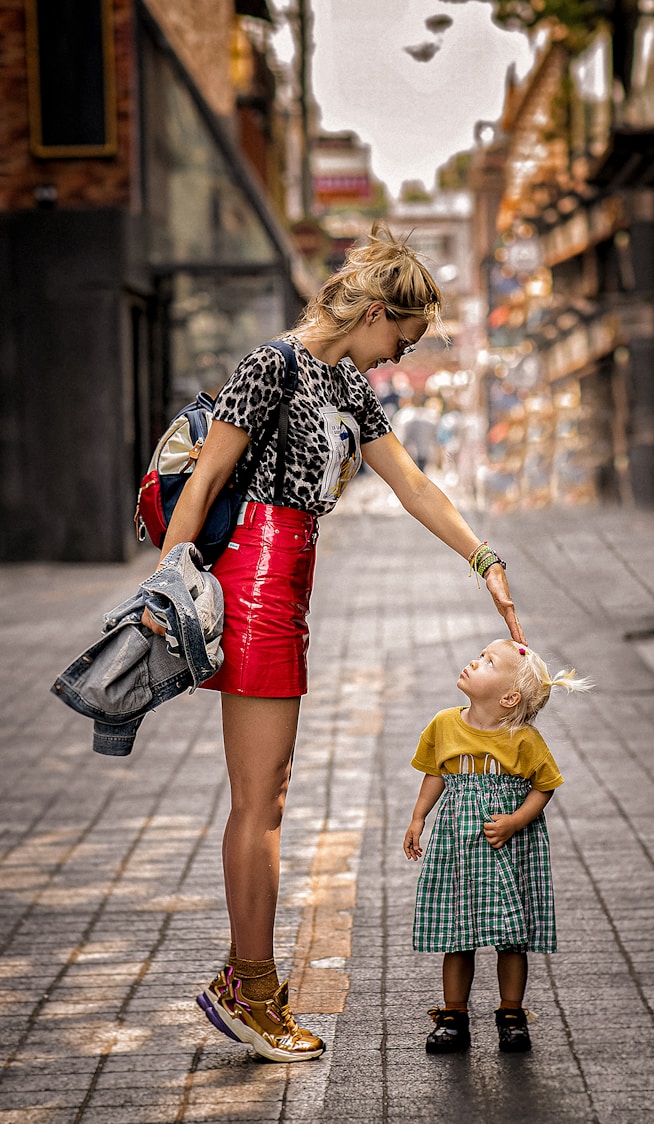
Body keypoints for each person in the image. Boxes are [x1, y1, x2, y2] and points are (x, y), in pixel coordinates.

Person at [141, 223, 526, 1063]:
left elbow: (412, 483)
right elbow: (206, 479)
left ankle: (247, 981)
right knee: (261, 802)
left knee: (267, 797)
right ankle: (250, 991)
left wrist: (484, 560)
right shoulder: (271, 364)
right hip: (253, 582)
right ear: (376, 311)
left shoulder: (345, 385)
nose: (397, 357)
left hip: (288, 584)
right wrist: (163, 584)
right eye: (402, 339)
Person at [403, 638, 592, 1055]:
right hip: (458, 848)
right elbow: (435, 773)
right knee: (457, 932)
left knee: (512, 935)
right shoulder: (444, 724)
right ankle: (454, 1015)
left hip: (508, 847)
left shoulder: (523, 739)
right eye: (480, 655)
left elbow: (545, 785)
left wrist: (515, 821)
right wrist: (418, 818)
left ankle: (511, 1014)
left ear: (509, 698)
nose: (474, 662)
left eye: (488, 662)